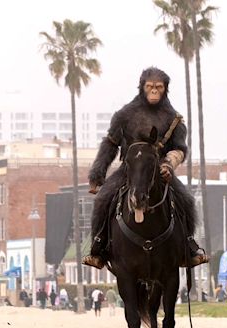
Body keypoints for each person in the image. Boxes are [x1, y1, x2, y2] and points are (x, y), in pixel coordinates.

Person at [82, 67, 208, 270]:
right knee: (103, 198)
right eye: (150, 87)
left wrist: (168, 164)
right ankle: (98, 248)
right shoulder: (124, 115)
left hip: (160, 172)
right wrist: (98, 173)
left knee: (186, 199)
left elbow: (179, 149)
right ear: (142, 88)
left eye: (159, 87)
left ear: (165, 89)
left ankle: (188, 247)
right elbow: (110, 144)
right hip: (128, 171)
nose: (154, 91)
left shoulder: (173, 119)